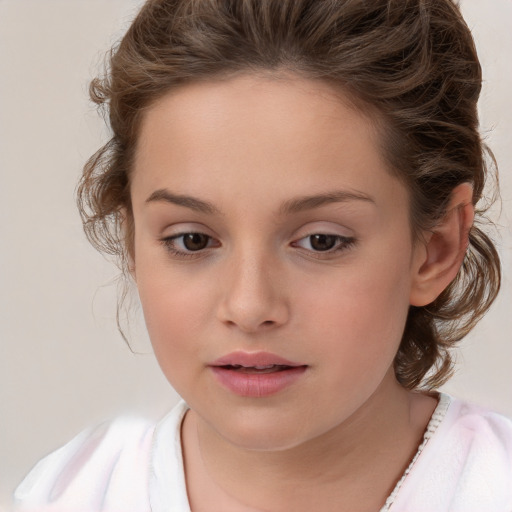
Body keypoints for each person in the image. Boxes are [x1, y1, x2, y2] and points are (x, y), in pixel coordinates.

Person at [13, 0, 512, 511]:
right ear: (133, 242)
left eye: (321, 241)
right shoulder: (64, 496)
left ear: (435, 250)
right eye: (193, 240)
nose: (249, 307)